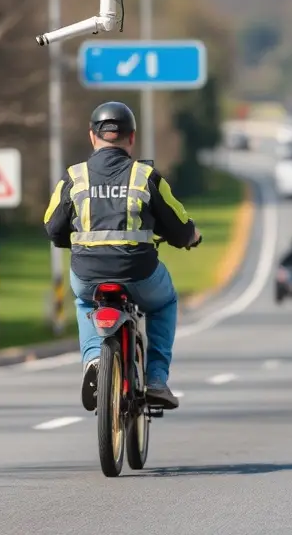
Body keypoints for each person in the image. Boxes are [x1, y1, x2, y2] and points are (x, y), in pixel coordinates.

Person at [43, 101, 201, 412]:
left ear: (92, 137)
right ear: (131, 138)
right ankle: (156, 379)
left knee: (85, 302)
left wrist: (73, 240)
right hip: (139, 273)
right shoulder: (146, 177)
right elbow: (180, 226)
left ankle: (92, 360)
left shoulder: (74, 178)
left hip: (88, 275)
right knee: (165, 302)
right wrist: (191, 237)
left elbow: (52, 227)